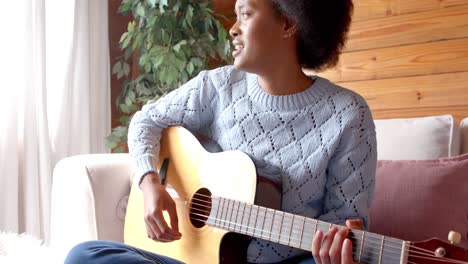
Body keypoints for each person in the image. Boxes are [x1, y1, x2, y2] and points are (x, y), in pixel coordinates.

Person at [65, 0, 376, 263]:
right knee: (84, 255)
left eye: (246, 13)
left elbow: (344, 219)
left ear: (288, 24)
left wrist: (337, 252)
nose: (233, 28)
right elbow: (146, 122)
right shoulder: (216, 86)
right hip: (192, 257)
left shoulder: (347, 114)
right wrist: (150, 184)